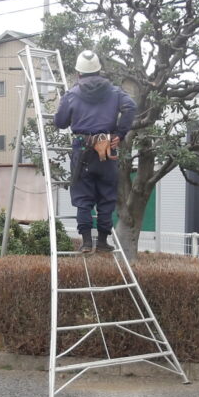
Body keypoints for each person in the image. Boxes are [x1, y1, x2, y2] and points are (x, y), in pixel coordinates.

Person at [53, 50, 136, 253]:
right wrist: (120, 133)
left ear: (79, 73)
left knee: (83, 197)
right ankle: (102, 242)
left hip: (83, 149)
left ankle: (86, 242)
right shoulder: (115, 92)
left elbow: (60, 122)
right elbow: (131, 107)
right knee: (106, 195)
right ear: (99, 70)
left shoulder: (72, 94)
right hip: (107, 149)